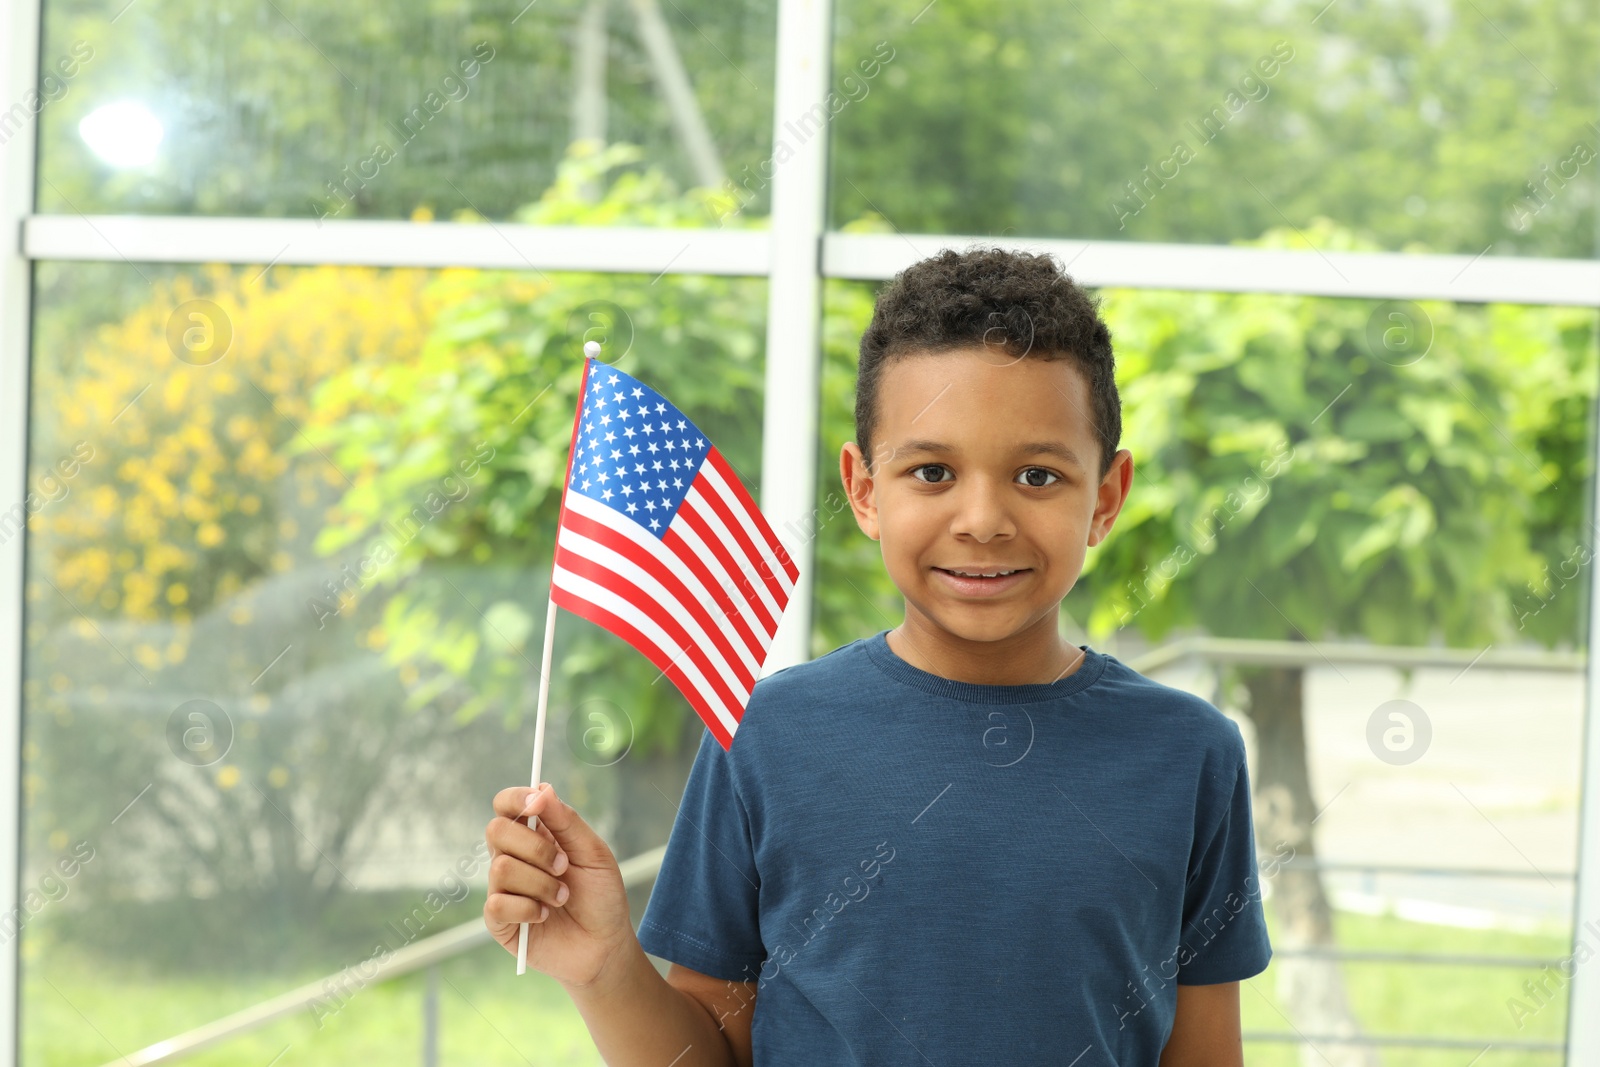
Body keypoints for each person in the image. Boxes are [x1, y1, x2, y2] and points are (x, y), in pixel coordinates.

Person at [483, 245, 1272, 1066]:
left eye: (1037, 476)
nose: (982, 518)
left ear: (1105, 497)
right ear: (863, 489)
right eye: (932, 470)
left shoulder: (1190, 755)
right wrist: (605, 965)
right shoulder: (767, 737)